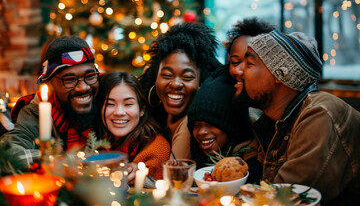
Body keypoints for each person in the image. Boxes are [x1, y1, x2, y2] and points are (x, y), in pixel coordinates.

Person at [234, 29, 360, 205]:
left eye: (249, 63)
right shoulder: (272, 120)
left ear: (280, 74)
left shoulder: (320, 115)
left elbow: (281, 199)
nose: (238, 71)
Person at [1, 36, 99, 164]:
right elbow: (7, 154)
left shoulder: (110, 97)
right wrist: (69, 160)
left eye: (90, 76)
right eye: (69, 79)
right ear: (50, 85)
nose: (83, 87)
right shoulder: (35, 112)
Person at [139, 22, 221, 160]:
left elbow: (174, 178)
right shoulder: (152, 111)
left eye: (187, 77)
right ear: (155, 77)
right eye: (166, 75)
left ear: (201, 82)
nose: (176, 84)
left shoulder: (191, 124)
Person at [187, 65, 262, 183]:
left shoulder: (250, 165)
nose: (201, 132)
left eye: (211, 123)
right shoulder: (196, 157)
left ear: (231, 125)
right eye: (196, 125)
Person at [95, 71, 170, 185]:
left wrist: (143, 179)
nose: (119, 112)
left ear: (142, 110)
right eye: (110, 104)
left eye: (128, 104)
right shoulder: (93, 142)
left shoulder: (156, 148)